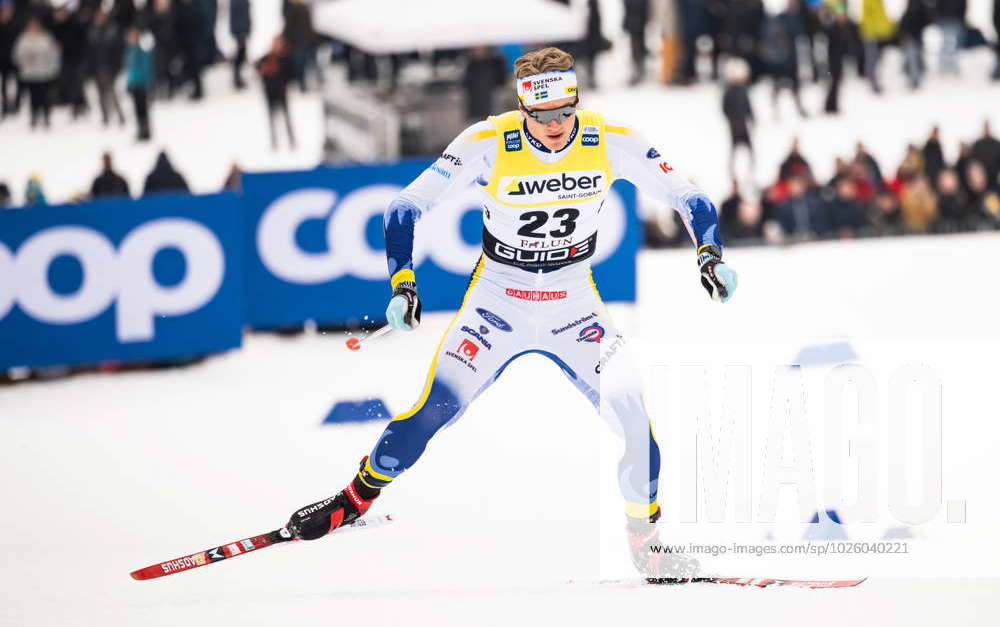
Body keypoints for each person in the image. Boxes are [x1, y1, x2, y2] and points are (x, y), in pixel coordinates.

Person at [283, 47, 738, 583]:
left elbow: (690, 199)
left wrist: (710, 255)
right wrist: (403, 283)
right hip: (499, 299)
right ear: (522, 108)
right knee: (433, 411)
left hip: (573, 301)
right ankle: (353, 501)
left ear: (576, 100)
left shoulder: (608, 140)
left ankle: (648, 545)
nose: (553, 126)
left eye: (563, 112)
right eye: (540, 116)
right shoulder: (487, 142)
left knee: (636, 425)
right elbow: (404, 207)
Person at [13, 17, 59, 129]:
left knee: (45, 96)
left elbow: (53, 54)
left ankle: (46, 117)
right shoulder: (23, 39)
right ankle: (34, 117)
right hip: (30, 73)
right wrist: (24, 59)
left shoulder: (46, 38)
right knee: (33, 97)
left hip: (44, 72)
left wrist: (52, 68)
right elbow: (16, 55)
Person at [256, 35, 296, 150]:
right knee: (271, 119)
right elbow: (257, 66)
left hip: (281, 92)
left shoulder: (286, 58)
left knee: (286, 118)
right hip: (269, 92)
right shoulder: (267, 58)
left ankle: (291, 141)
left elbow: (291, 74)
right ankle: (274, 142)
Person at [88, 10, 125, 127]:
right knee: (100, 94)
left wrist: (117, 67)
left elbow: (118, 52)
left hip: (110, 68)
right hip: (97, 68)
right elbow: (89, 53)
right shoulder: (92, 32)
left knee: (113, 93)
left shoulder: (112, 31)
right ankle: (105, 117)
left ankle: (120, 116)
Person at [721, 57, 754, 180]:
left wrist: (752, 118)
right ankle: (732, 171)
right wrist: (732, 120)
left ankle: (750, 170)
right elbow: (725, 108)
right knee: (734, 149)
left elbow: (748, 106)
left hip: (743, 124)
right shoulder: (729, 91)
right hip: (734, 125)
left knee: (749, 149)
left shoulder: (743, 90)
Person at [124, 27, 154, 141]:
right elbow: (128, 69)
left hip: (142, 84)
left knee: (143, 108)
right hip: (134, 84)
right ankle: (140, 130)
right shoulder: (129, 50)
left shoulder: (141, 50)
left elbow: (147, 67)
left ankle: (145, 131)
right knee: (137, 109)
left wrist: (147, 81)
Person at [935, 0, 966, 75]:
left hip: (954, 20)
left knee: (952, 44)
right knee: (949, 44)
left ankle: (950, 66)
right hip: (946, 20)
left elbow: (963, 7)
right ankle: (946, 66)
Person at [623, 0, 650, 85]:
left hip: (638, 23)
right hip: (634, 22)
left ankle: (639, 70)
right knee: (636, 46)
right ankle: (638, 69)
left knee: (638, 46)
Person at [970, 120, 1000, 191]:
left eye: (988, 126)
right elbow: (973, 163)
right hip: (980, 183)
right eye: (985, 126)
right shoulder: (977, 144)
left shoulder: (996, 144)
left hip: (994, 180)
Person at [229, 0, 250, 89]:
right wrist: (239, 31)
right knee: (240, 54)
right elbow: (234, 17)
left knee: (241, 53)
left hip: (243, 30)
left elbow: (246, 16)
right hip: (240, 31)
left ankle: (238, 77)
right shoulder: (236, 2)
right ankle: (237, 78)